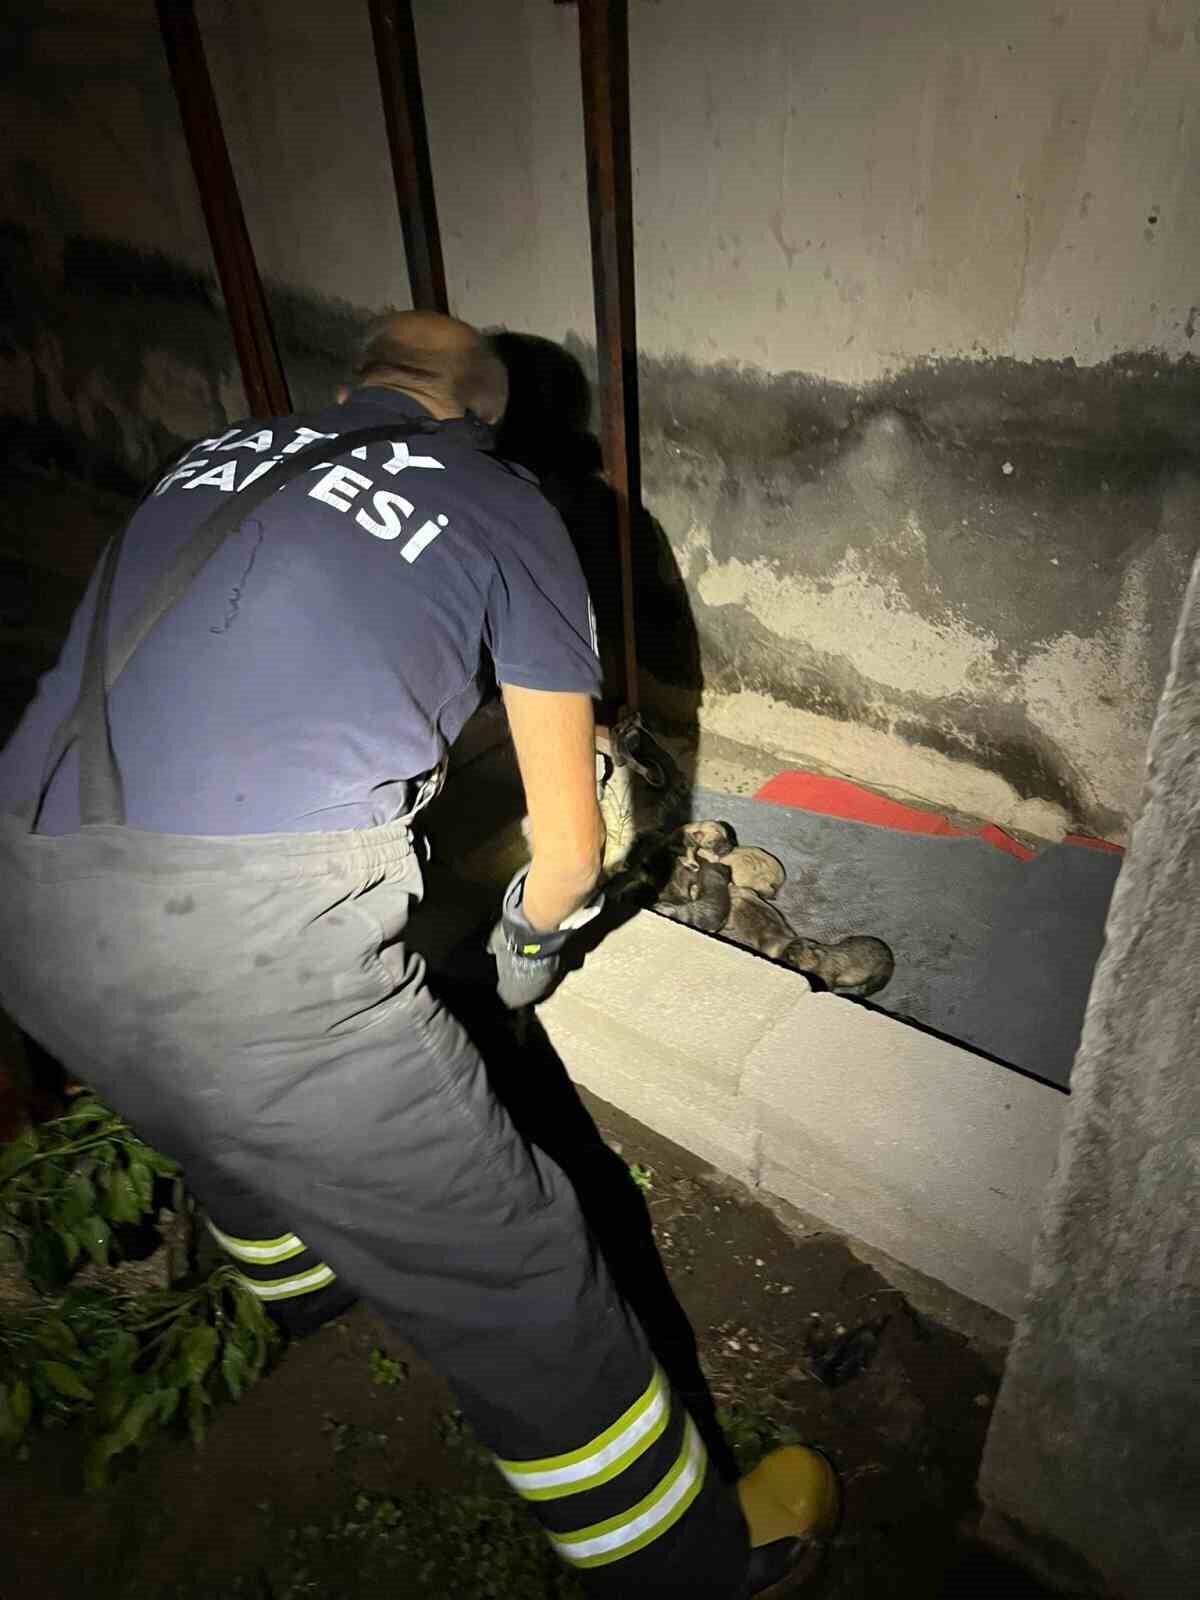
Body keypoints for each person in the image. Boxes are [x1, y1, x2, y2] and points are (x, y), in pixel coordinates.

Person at [0, 312, 838, 1595]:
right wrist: (524, 956)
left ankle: (303, 1293)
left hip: (25, 889)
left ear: (356, 387)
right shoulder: (501, 502)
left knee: (194, 1093)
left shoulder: (211, 456)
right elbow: (569, 852)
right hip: (251, 954)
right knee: (524, 1273)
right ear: (484, 420)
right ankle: (690, 1568)